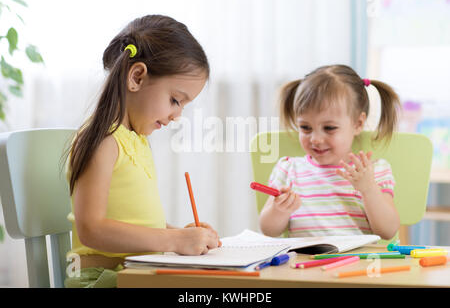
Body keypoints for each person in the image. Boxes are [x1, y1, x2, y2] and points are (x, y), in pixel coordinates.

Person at [64, 15, 221, 288]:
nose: (176, 116)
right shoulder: (103, 140)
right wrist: (173, 241)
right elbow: (91, 229)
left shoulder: (135, 139)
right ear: (136, 77)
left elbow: (132, 223)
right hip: (100, 279)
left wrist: (182, 235)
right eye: (175, 100)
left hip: (134, 276)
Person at [259, 64, 401, 240]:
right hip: (304, 265)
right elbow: (268, 230)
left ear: (357, 124)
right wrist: (279, 210)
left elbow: (387, 231)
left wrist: (369, 189)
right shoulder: (289, 169)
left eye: (329, 128)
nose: (316, 139)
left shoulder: (372, 171)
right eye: (305, 127)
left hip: (356, 263)